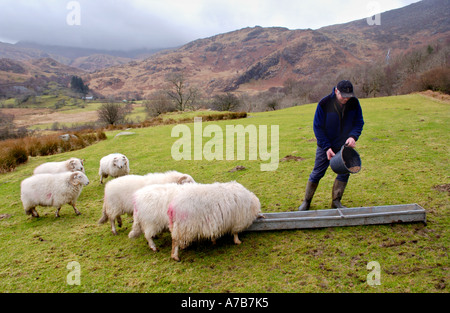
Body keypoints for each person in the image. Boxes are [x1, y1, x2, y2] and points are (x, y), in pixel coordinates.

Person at [298, 80, 364, 211]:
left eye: (348, 96)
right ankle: (306, 201)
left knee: (344, 172)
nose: (346, 98)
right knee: (317, 173)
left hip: (343, 145)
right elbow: (318, 128)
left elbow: (359, 122)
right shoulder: (324, 103)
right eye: (343, 95)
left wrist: (353, 136)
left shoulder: (354, 103)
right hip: (325, 146)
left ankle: (336, 201)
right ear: (336, 91)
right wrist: (326, 147)